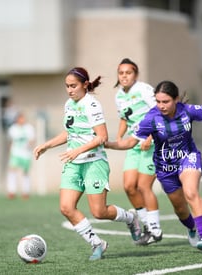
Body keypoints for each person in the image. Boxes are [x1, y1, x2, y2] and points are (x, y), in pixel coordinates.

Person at [105, 80, 202, 255]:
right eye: (158, 101)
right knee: (180, 208)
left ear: (176, 99)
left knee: (191, 192)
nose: (161, 106)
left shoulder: (188, 111)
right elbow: (130, 142)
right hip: (164, 167)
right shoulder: (151, 118)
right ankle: (192, 228)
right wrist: (108, 144)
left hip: (188, 157)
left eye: (166, 102)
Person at [33, 67, 141, 261]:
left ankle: (131, 218)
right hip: (74, 164)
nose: (70, 90)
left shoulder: (92, 105)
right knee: (66, 207)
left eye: (73, 86)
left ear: (84, 84)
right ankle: (97, 243)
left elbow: (102, 137)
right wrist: (47, 145)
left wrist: (77, 150)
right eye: (67, 86)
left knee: (99, 212)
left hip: (94, 163)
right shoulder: (69, 104)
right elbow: (70, 133)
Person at [113, 58, 162, 245]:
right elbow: (124, 119)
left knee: (143, 186)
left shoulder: (144, 89)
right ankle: (147, 226)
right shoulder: (118, 96)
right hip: (134, 145)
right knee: (128, 186)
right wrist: (119, 137)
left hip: (151, 144)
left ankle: (155, 229)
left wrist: (150, 136)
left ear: (136, 75)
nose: (124, 76)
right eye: (121, 73)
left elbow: (158, 112)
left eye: (128, 72)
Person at [7, 112, 35, 199]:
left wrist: (29, 145)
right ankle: (11, 191)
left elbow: (32, 140)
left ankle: (25, 192)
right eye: (20, 118)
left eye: (23, 118)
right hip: (15, 153)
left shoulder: (29, 128)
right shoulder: (13, 129)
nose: (22, 120)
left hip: (26, 154)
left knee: (25, 172)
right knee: (12, 170)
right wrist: (10, 152)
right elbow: (10, 141)